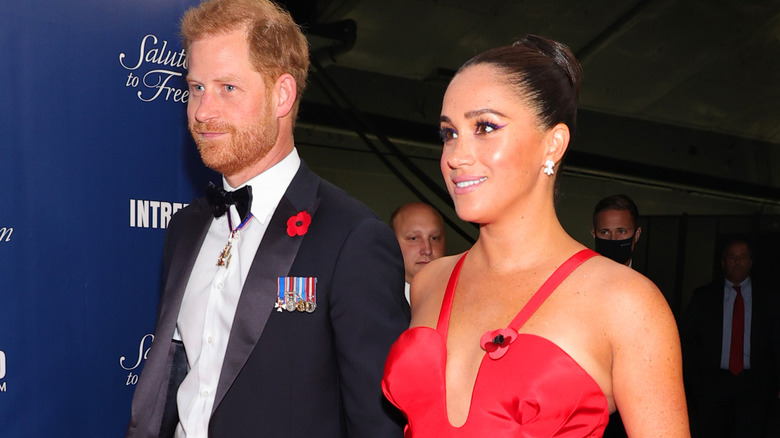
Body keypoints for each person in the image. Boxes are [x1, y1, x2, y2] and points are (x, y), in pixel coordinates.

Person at [126, 1, 409, 437]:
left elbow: (377, 424)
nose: (203, 111)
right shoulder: (186, 228)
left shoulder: (352, 239)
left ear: (282, 95)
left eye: (227, 88)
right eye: (196, 88)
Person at [382, 35, 689, 436]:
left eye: (485, 127)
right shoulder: (429, 283)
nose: (455, 156)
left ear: (553, 144)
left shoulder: (626, 304)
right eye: (449, 133)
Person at [681, 237, 779, 437]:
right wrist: (696, 383)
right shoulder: (704, 297)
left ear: (751, 262)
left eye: (743, 257)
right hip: (713, 386)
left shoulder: (770, 298)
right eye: (732, 257)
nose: (737, 262)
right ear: (723, 262)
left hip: (755, 386)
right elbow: (689, 342)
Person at [390, 202, 447, 303]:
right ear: (391, 242)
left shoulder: (464, 297)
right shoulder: (373, 300)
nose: (427, 250)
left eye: (434, 238)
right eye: (414, 238)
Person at [591, 194, 642, 266]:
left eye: (621, 231)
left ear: (637, 234)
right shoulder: (580, 275)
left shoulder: (649, 276)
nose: (613, 239)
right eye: (605, 232)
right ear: (594, 234)